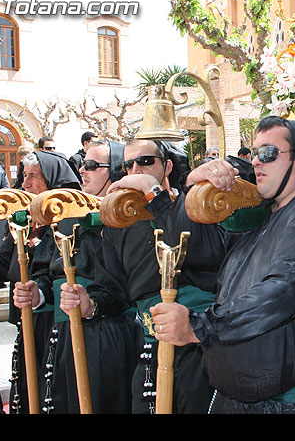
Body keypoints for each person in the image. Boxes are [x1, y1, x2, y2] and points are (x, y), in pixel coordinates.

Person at [110, 116, 295, 414]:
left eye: (269, 153)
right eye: (255, 152)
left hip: (289, 405)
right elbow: (198, 252)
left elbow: (280, 291)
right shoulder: (262, 215)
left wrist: (201, 326)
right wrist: (180, 189)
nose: (258, 162)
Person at [64, 138, 221, 414]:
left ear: (168, 165)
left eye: (146, 161)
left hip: (201, 347)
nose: (136, 169)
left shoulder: (194, 207)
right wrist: (90, 305)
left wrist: (156, 197)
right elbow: (114, 289)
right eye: (128, 164)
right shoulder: (120, 223)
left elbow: (209, 257)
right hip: (151, 346)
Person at [42, 140, 141, 413]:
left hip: (108, 335)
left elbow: (126, 285)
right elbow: (49, 269)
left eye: (92, 166)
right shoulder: (69, 215)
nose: (82, 171)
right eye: (82, 165)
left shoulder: (131, 219)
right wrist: (37, 292)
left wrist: (93, 306)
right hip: (64, 332)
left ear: (118, 171)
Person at [8, 150, 81, 413]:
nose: (25, 184)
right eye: (23, 176)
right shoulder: (25, 217)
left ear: (51, 178)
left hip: (61, 323)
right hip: (34, 319)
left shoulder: (69, 217)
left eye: (32, 177)